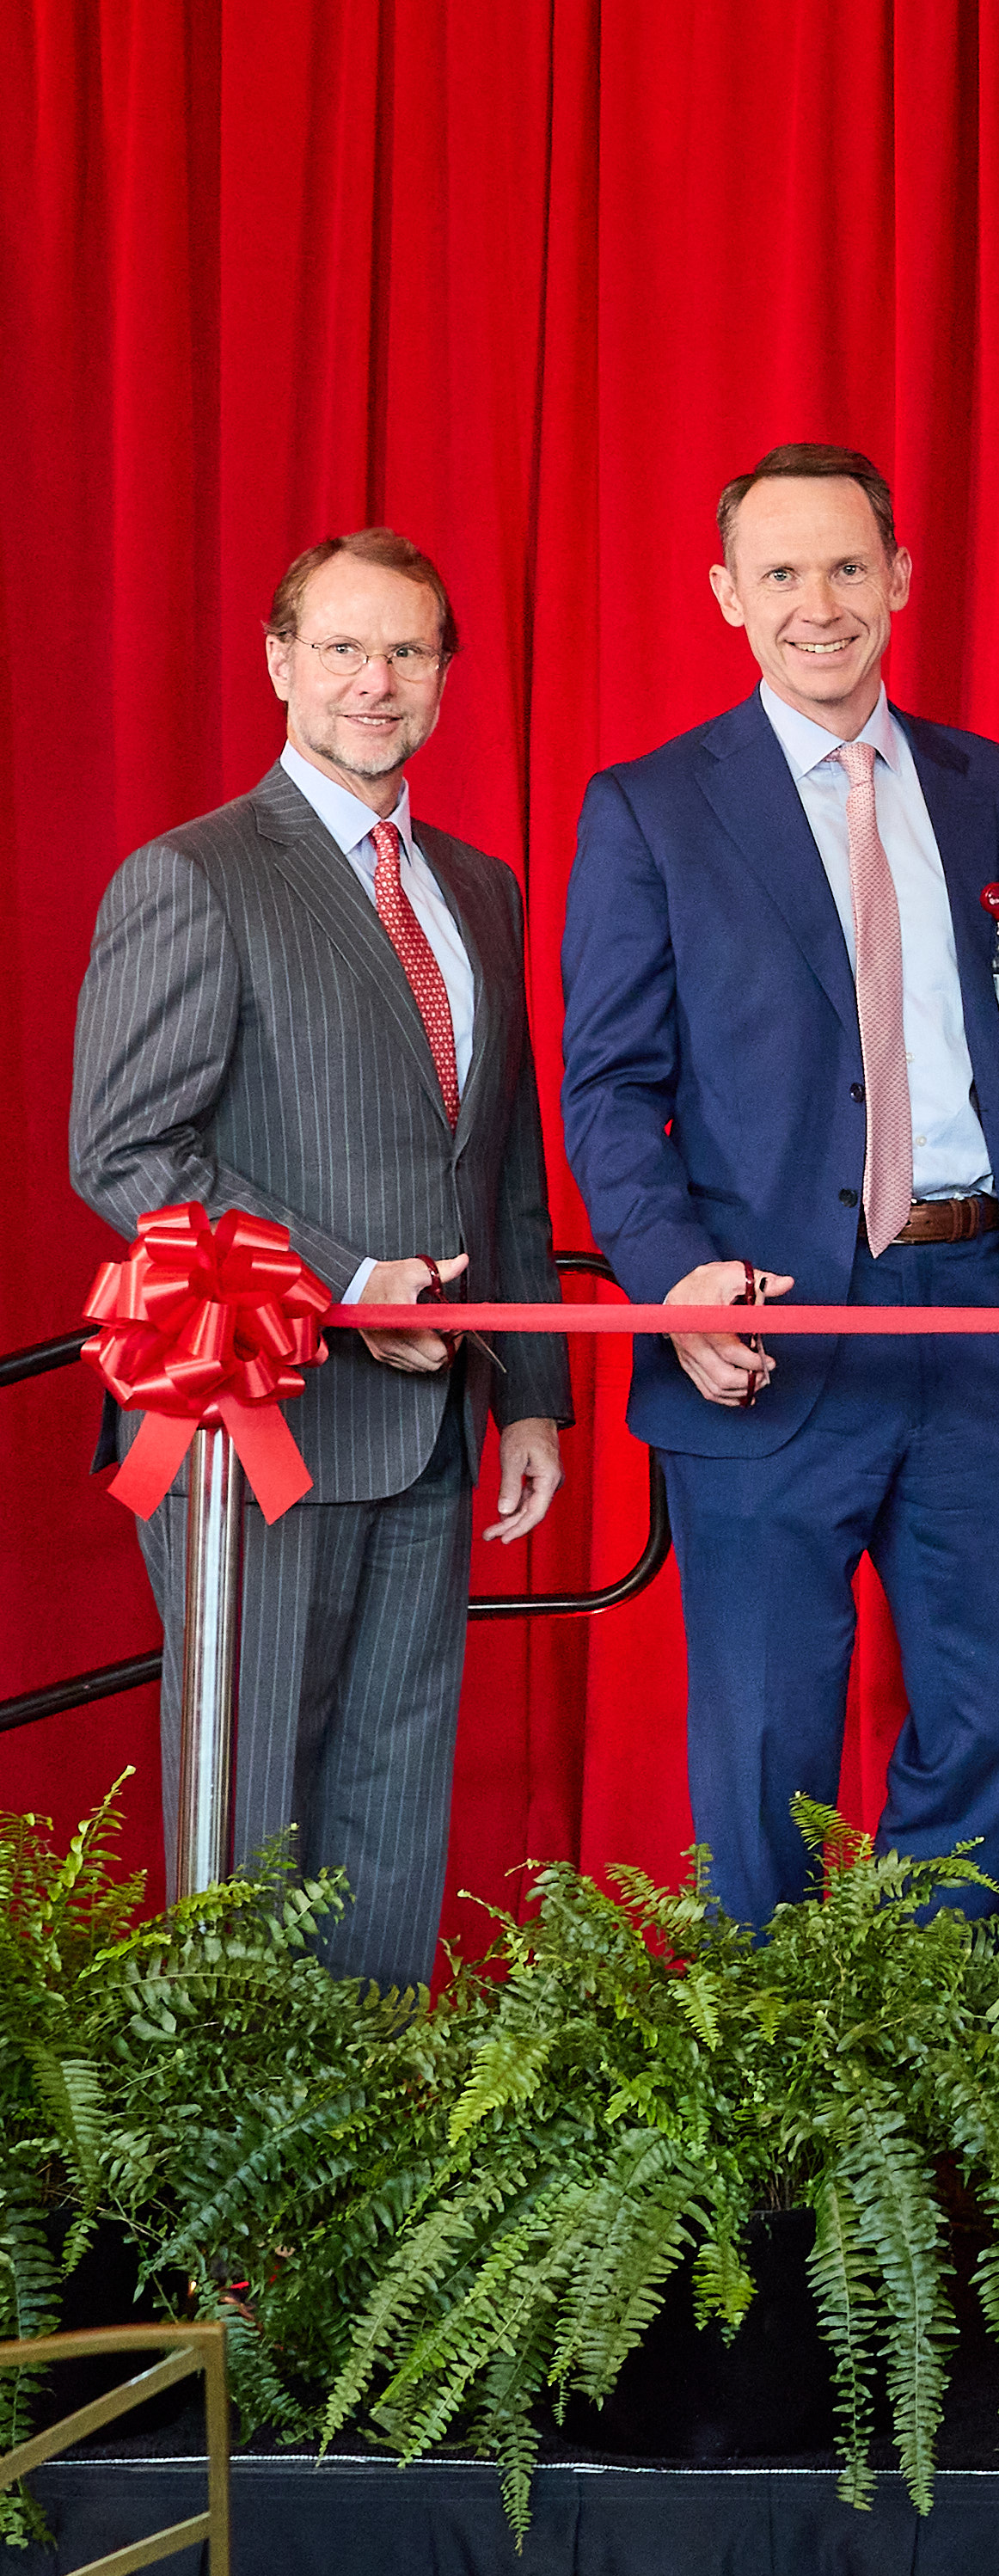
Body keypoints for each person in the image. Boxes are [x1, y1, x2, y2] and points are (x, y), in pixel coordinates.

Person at [563, 442, 999, 1926]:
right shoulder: (651, 807)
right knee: (766, 1749)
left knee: (995, 1717)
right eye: (781, 572)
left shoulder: (997, 794)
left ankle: (921, 2072)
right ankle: (779, 2109)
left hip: (983, 1313)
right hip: (764, 1329)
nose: (820, 603)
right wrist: (672, 1279)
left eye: (849, 566)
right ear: (725, 594)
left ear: (902, 580)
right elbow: (607, 1086)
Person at [68, 530, 569, 1984]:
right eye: (344, 648)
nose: (376, 680)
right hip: (255, 1430)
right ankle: (231, 2171)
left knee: (395, 1810)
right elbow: (124, 1148)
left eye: (408, 651)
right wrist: (349, 1285)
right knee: (246, 1822)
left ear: (445, 677)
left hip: (436, 1430)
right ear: (281, 663)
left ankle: (367, 2163)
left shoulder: (478, 887)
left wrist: (528, 1383)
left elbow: (508, 1162)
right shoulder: (195, 875)